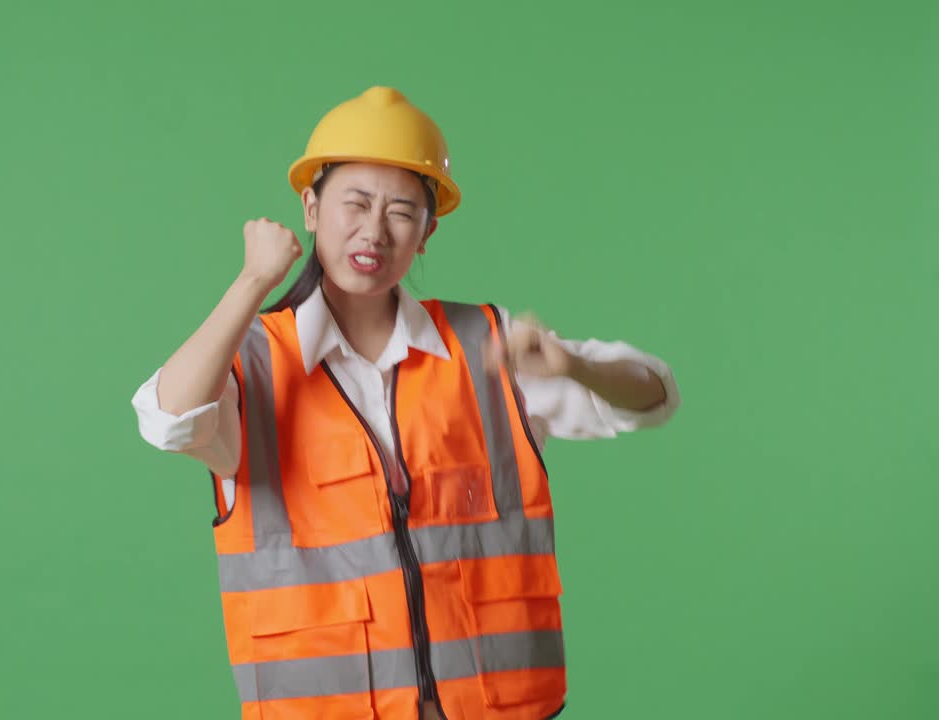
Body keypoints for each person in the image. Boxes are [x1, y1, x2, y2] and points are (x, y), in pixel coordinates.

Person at [132, 86, 681, 720]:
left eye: (401, 211)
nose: (374, 230)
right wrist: (253, 281)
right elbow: (168, 419)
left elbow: (653, 394)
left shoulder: (485, 345)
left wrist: (574, 366)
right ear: (310, 207)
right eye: (355, 203)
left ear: (427, 232)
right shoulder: (252, 363)